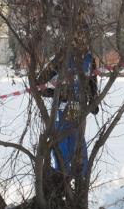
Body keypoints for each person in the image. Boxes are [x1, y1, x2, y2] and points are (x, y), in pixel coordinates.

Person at [41, 48, 99, 177]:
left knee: (77, 144)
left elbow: (92, 80)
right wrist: (55, 93)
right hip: (61, 107)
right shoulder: (63, 56)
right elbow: (41, 82)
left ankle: (80, 184)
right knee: (62, 148)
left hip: (75, 106)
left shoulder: (89, 58)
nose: (83, 42)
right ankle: (61, 182)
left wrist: (93, 98)